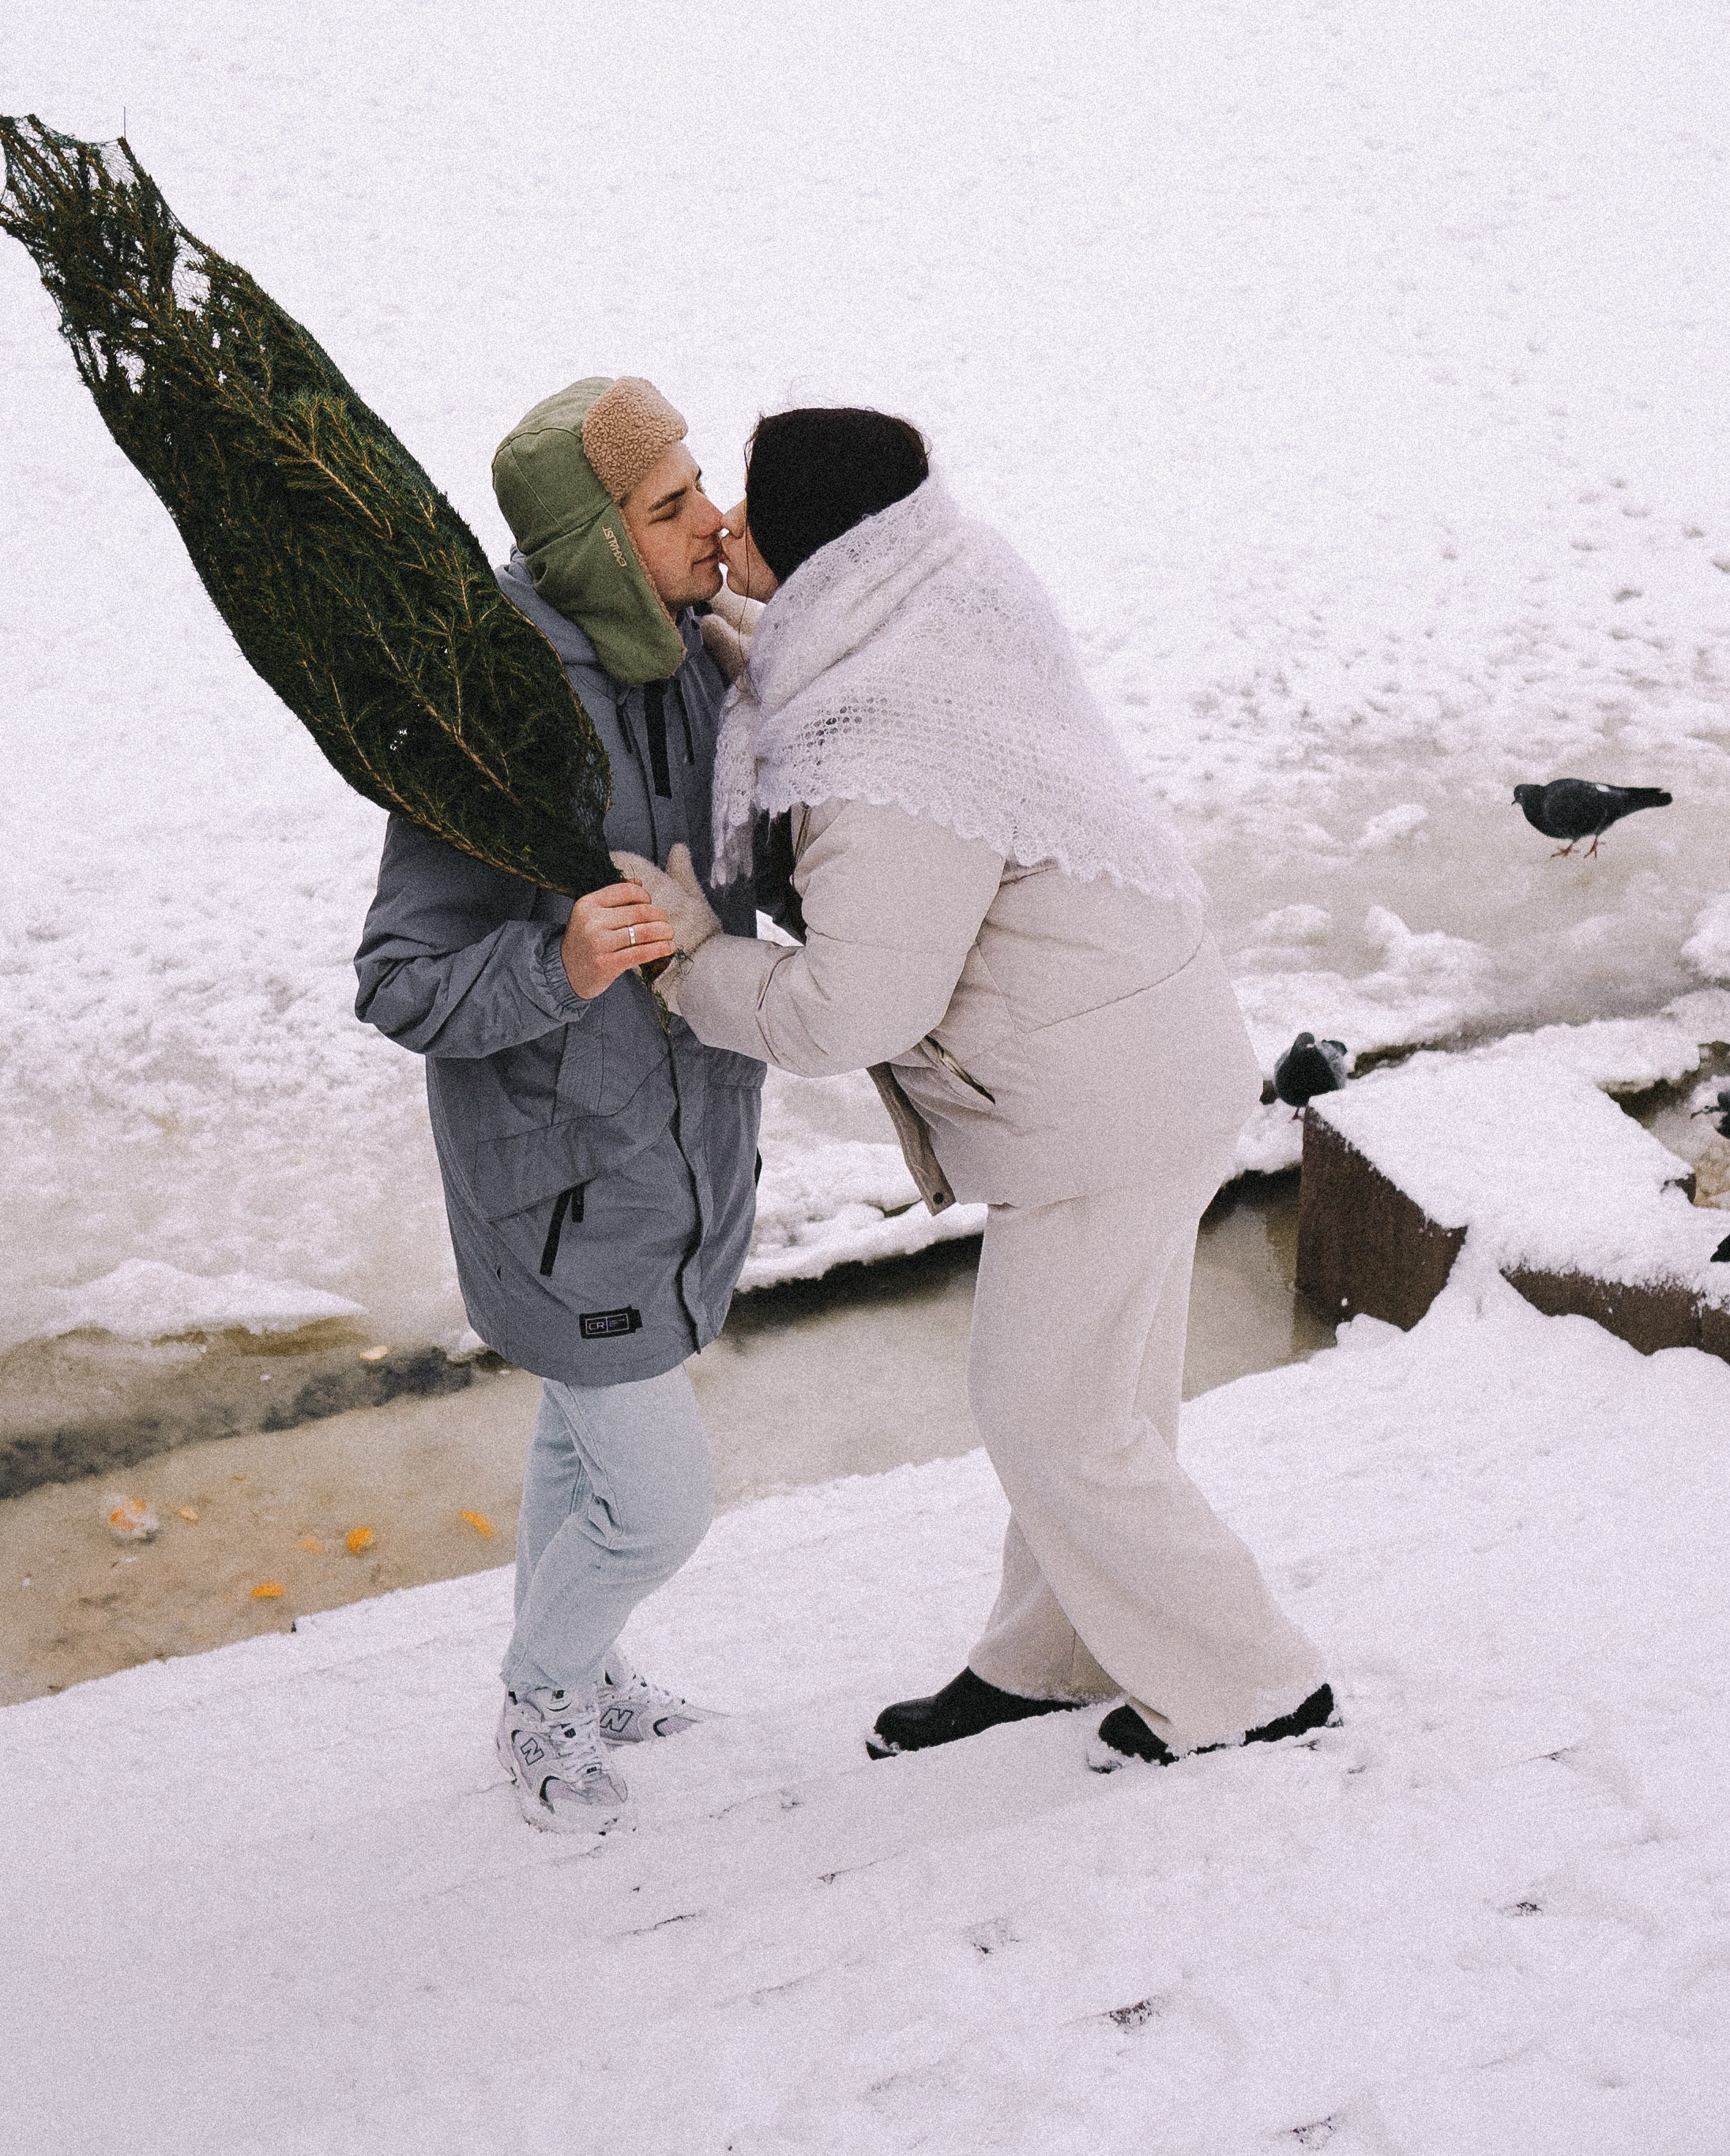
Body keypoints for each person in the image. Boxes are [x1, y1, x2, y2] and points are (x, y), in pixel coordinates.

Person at [619, 408, 1335, 1773]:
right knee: (1093, 1404)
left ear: (829, 553)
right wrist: (733, 642)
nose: (723, 530)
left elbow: (849, 1009)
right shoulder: (941, 581)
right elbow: (827, 663)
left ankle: (1253, 1683)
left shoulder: (890, 761)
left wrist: (693, 960)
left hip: (1100, 1105)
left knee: (1046, 1411)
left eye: (749, 516)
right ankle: (1057, 1655)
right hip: (1136, 1049)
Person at [355, 376, 765, 1839]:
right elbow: (399, 978)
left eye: (699, 485)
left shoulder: (694, 662)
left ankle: (580, 1672)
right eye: (669, 508)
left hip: (680, 1148)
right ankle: (544, 1691)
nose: (712, 521)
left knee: (572, 1447)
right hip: (564, 1183)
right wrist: (559, 958)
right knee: (655, 1506)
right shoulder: (495, 713)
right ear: (596, 543)